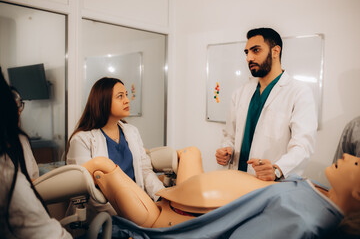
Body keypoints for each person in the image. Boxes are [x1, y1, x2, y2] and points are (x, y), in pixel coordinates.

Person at [82, 147, 360, 238]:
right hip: (188, 195)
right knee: (189, 152)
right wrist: (272, 172)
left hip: (175, 218)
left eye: (357, 162)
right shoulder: (315, 190)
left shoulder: (305, 219)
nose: (348, 154)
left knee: (100, 166)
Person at [215, 27, 317, 181]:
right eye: (247, 52)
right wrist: (226, 150)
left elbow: (303, 146)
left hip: (271, 184)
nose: (249, 58)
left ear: (275, 51)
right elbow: (230, 135)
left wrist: (277, 169)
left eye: (255, 50)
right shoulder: (240, 93)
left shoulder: (299, 93)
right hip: (236, 179)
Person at [66, 77, 164, 214]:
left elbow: (145, 171)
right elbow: (84, 188)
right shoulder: (81, 139)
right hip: (106, 213)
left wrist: (162, 197)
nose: (127, 100)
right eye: (120, 96)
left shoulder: (131, 131)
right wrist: (124, 213)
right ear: (103, 101)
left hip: (139, 206)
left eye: (126, 95)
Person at [0, 68, 71, 238]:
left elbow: (33, 173)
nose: (19, 110)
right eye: (15, 104)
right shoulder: (8, 182)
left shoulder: (21, 142)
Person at [10, 86, 39, 180]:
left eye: (19, 106)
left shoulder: (22, 139)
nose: (19, 112)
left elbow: (34, 174)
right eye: (13, 107)